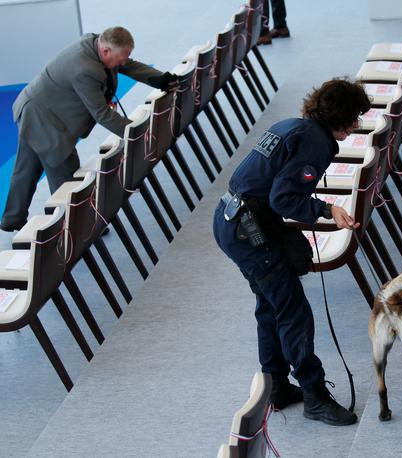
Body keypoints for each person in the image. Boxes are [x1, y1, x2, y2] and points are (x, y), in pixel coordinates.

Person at [213, 78, 371, 426]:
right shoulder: (314, 142)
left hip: (232, 219)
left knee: (271, 306)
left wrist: (323, 209)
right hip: (249, 230)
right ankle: (314, 395)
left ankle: (277, 387)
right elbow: (283, 199)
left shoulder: (292, 126)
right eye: (355, 116)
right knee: (294, 311)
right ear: (341, 116)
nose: (357, 125)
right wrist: (326, 210)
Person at [0, 26, 178, 232]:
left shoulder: (99, 44)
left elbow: (128, 65)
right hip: (42, 118)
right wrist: (138, 134)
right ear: (106, 51)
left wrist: (160, 78)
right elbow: (101, 113)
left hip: (40, 107)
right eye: (120, 57)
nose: (122, 62)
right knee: (66, 171)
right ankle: (79, 228)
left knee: (26, 169)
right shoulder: (85, 68)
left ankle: (12, 219)